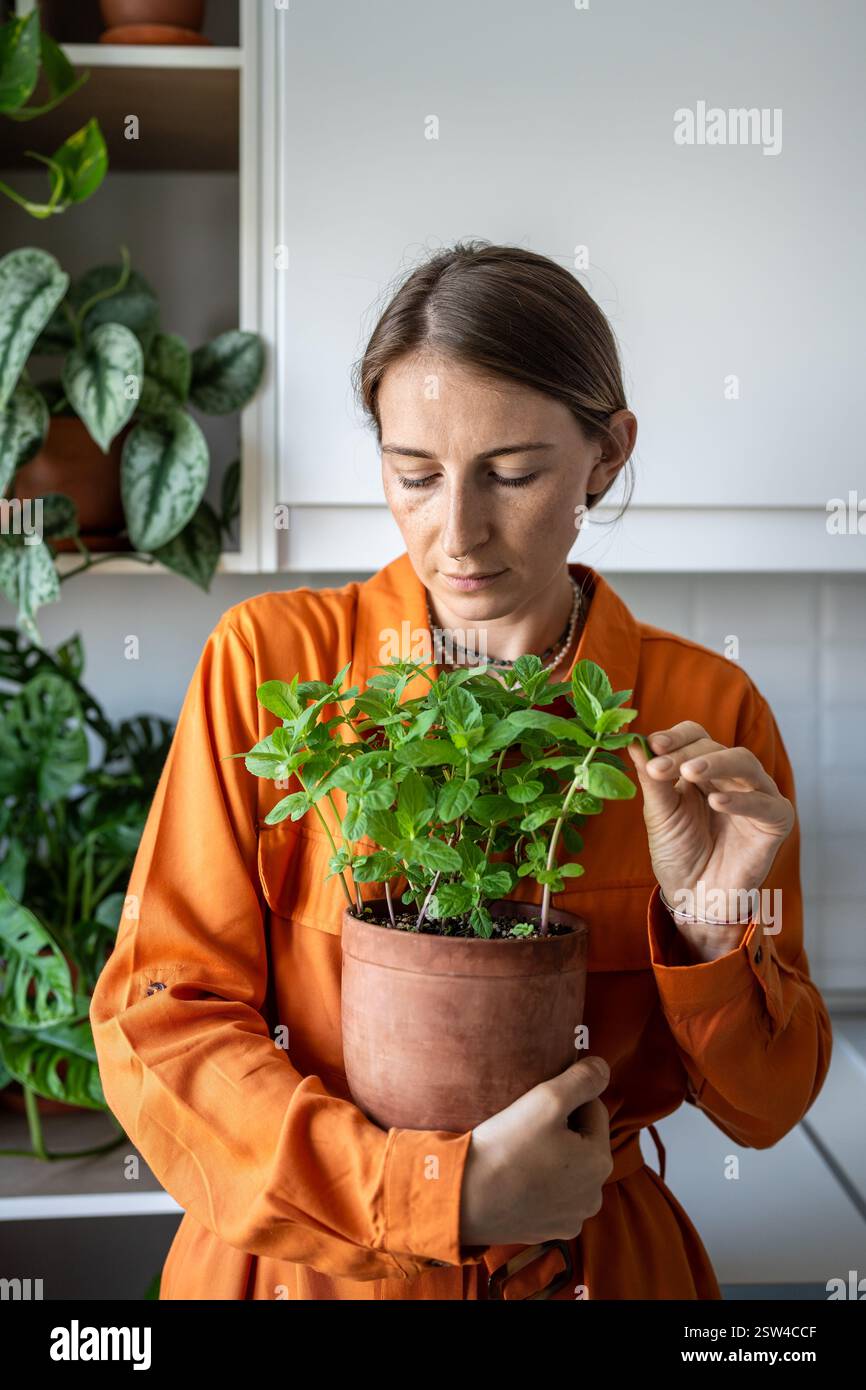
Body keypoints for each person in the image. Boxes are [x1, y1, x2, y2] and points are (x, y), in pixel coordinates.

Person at [90, 241, 832, 1300]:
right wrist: (434, 1193)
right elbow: (163, 1020)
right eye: (414, 475)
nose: (458, 533)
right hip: (304, 1270)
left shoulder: (704, 715)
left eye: (513, 473)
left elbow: (764, 1108)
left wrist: (713, 931)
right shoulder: (270, 667)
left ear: (607, 453)